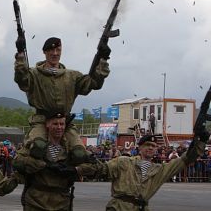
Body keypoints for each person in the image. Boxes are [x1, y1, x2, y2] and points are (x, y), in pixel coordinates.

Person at [14, 36, 110, 163]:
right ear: (45, 52)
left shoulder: (72, 76)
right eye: (51, 50)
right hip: (42, 121)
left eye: (58, 50)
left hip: (65, 122)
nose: (55, 53)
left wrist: (103, 59)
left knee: (79, 154)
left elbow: (93, 83)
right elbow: (21, 79)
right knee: (37, 147)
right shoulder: (34, 74)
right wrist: (20, 54)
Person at [76, 131, 209, 211]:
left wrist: (201, 142)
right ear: (139, 148)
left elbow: (184, 160)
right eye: (147, 145)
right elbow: (102, 169)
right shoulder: (123, 162)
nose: (150, 148)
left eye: (153, 146)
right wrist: (79, 168)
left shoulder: (159, 170)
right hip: (119, 207)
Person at [13, 111, 82, 211]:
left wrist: (75, 169)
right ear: (47, 125)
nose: (59, 127)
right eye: (55, 124)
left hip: (62, 201)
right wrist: (43, 165)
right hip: (36, 200)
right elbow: (17, 161)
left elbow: (94, 166)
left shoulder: (71, 148)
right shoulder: (36, 147)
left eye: (62, 124)